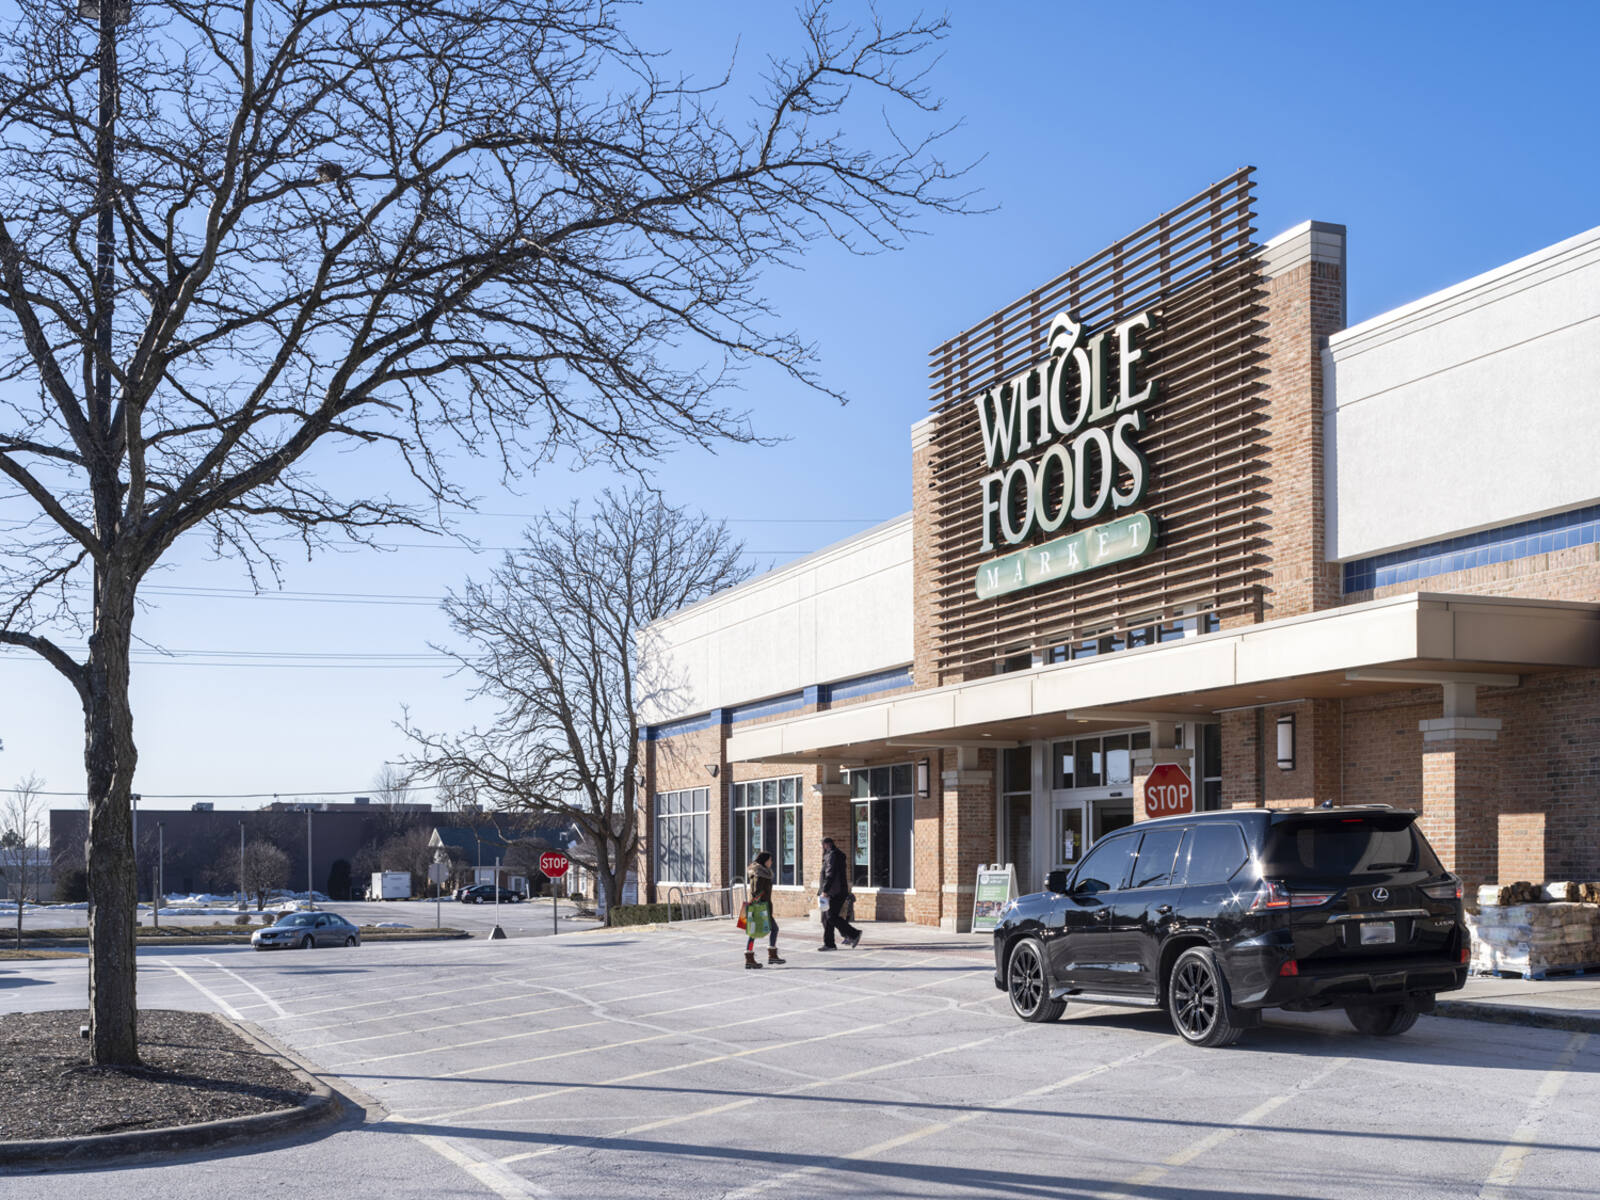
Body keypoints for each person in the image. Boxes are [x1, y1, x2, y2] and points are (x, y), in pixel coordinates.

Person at [817, 836, 862, 950]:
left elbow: (830, 874)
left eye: (822, 846)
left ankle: (853, 934)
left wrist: (825, 891)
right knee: (827, 918)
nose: (822, 848)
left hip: (834, 892)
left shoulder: (832, 856)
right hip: (835, 891)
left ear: (826, 844)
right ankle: (829, 944)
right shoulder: (834, 855)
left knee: (831, 917)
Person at [744, 851, 784, 968]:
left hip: (762, 907)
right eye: (770, 859)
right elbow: (757, 891)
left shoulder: (762, 872)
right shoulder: (760, 873)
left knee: (754, 932)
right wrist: (761, 902)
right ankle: (767, 956)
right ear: (765, 861)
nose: (771, 862)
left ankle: (753, 957)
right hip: (761, 908)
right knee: (769, 930)